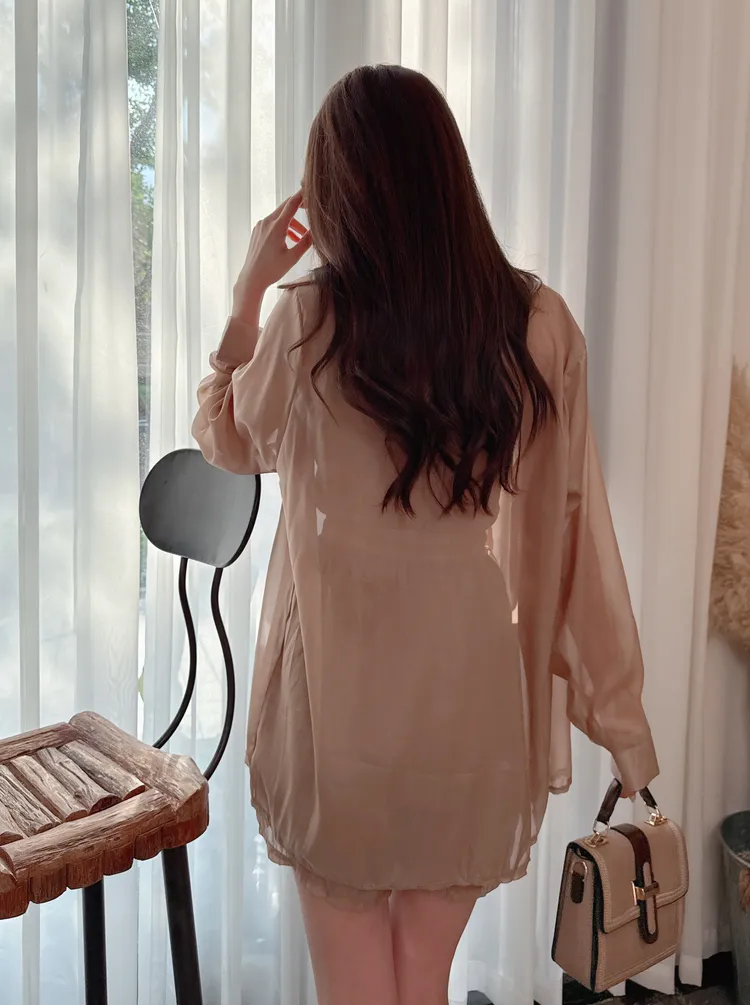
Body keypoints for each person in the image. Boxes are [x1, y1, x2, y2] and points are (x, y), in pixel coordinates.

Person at [192, 65, 658, 1005]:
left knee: (360, 987)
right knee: (421, 981)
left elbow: (228, 439)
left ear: (338, 191)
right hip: (468, 699)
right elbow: (577, 526)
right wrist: (620, 719)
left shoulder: (307, 320)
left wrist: (247, 294)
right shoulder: (536, 324)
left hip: (340, 699)